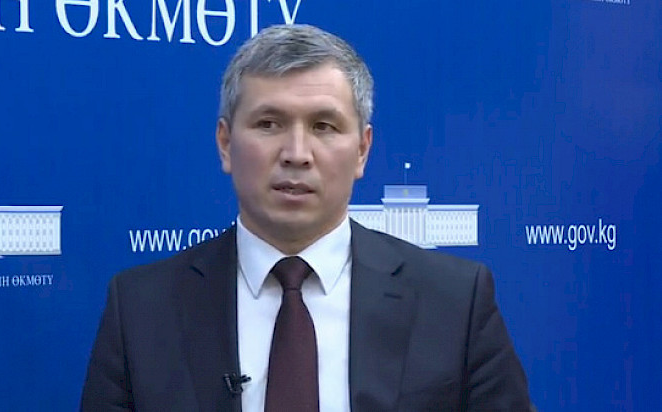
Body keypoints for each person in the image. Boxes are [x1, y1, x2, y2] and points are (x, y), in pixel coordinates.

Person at [81, 24, 531, 411]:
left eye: (323, 127)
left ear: (362, 150)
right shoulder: (140, 310)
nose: (296, 154)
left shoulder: (455, 302)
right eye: (269, 124)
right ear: (225, 144)